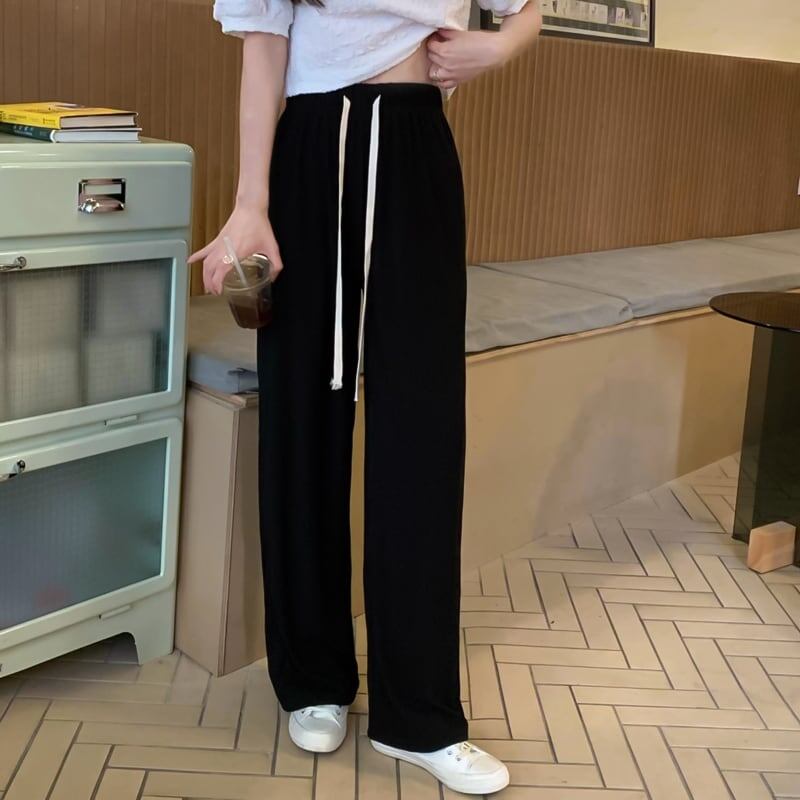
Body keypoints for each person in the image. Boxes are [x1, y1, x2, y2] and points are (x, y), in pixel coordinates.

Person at [189, 1, 542, 794]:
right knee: (301, 419)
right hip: (311, 148)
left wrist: (498, 49)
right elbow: (263, 47)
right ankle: (312, 679)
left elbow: (526, 11)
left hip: (415, 144)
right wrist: (251, 204)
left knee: (422, 430)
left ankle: (419, 716)